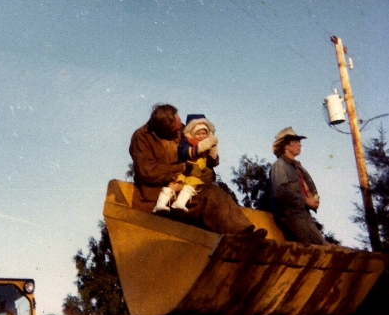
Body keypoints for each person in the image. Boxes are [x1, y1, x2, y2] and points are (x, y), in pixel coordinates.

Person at [129, 103, 267, 238]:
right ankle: (242, 237)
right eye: (174, 129)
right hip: (159, 196)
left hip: (185, 186)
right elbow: (147, 171)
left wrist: (209, 163)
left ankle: (242, 236)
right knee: (210, 195)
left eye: (179, 124)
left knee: (214, 192)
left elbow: (202, 154)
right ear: (162, 130)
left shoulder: (182, 130)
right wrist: (182, 168)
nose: (179, 130)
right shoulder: (141, 137)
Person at [269, 127, 328, 245]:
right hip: (291, 216)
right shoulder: (280, 165)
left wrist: (312, 199)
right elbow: (280, 191)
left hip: (302, 214)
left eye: (299, 142)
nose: (299, 145)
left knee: (321, 246)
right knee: (317, 247)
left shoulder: (297, 167)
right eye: (295, 142)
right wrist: (305, 200)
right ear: (286, 146)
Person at [152, 114, 218, 213]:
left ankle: (180, 203)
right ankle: (160, 204)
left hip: (195, 175)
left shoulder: (207, 147)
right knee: (176, 184)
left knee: (192, 185)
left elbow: (212, 162)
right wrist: (201, 147)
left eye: (204, 134)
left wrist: (212, 150)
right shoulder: (186, 142)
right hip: (185, 170)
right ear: (192, 134)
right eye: (198, 134)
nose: (201, 136)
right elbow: (186, 152)